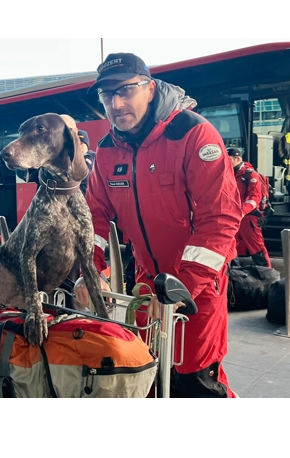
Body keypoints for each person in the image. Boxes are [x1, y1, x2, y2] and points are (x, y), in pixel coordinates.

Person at [74, 52, 242, 398]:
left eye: (125, 91)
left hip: (196, 289)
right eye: (107, 96)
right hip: (146, 287)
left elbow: (221, 218)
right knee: (148, 376)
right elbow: (94, 218)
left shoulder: (194, 134)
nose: (116, 104)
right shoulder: (107, 151)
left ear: (150, 89)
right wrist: (90, 272)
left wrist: (183, 287)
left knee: (195, 380)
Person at [227, 147, 272, 267]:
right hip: (234, 218)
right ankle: (233, 275)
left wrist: (241, 212)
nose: (225, 161)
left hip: (248, 219)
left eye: (228, 159)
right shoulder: (230, 174)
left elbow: (254, 197)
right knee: (229, 247)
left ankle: (267, 276)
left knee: (257, 249)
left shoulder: (250, 175)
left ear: (237, 159)